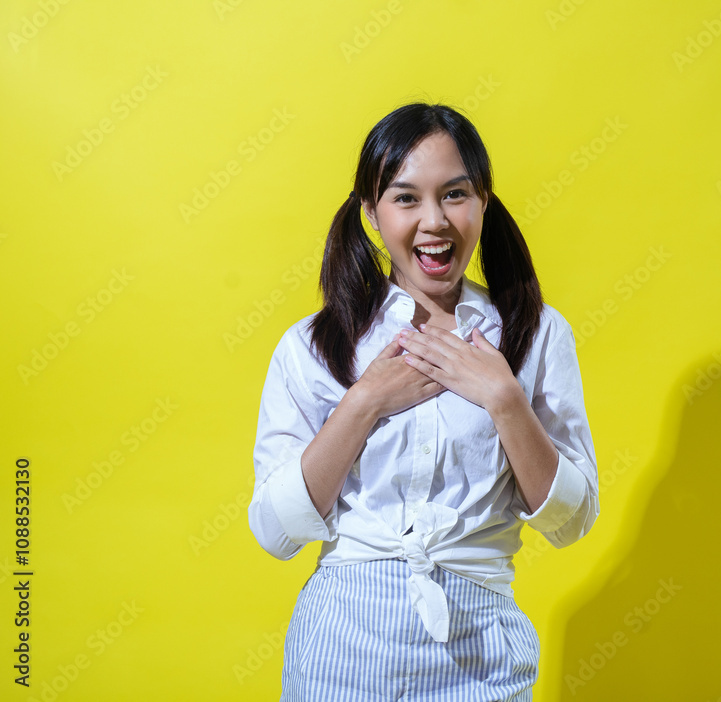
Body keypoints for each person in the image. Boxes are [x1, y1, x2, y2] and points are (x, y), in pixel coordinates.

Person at [249, 102, 600, 701]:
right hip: (341, 648)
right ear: (371, 213)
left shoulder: (536, 335)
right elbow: (274, 531)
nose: (434, 221)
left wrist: (505, 400)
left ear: (484, 201)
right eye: (406, 198)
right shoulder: (316, 344)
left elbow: (572, 522)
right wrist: (364, 403)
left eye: (455, 194)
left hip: (482, 648)